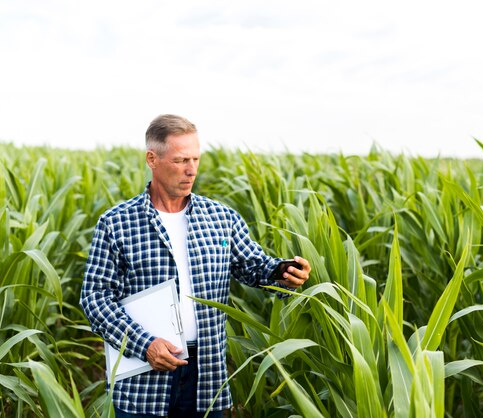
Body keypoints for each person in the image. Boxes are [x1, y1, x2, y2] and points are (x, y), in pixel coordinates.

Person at [80, 114, 311, 417]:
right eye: (180, 160)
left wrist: (284, 272)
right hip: (142, 374)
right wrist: (144, 344)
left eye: (195, 159)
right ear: (152, 158)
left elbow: (254, 266)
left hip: (206, 375)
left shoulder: (221, 218)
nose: (191, 170)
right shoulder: (116, 223)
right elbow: (95, 298)